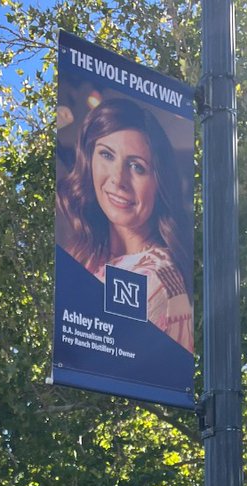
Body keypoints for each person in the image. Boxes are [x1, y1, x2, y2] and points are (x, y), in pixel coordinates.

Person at [57, 97, 195, 353]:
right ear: (89, 160)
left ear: (159, 183)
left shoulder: (153, 278)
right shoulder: (92, 253)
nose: (118, 179)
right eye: (107, 155)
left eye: (137, 167)